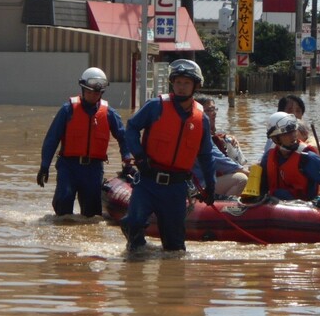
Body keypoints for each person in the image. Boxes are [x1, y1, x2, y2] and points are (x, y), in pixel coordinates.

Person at [120, 59, 216, 251]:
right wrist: (138, 156)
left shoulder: (201, 119)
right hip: (148, 181)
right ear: (172, 83)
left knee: (175, 247)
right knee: (134, 222)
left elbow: (206, 155)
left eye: (186, 83)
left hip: (176, 187)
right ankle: (136, 253)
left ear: (195, 86)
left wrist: (210, 186)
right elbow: (131, 128)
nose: (181, 87)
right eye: (178, 82)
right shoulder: (155, 106)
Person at [36, 67, 129, 217]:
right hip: (69, 166)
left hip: (93, 169)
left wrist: (127, 158)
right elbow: (52, 139)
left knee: (91, 214)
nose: (93, 96)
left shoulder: (109, 113)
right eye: (89, 92)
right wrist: (44, 166)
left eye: (97, 93)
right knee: (63, 205)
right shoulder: (68, 110)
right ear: (83, 90)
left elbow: (123, 138)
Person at [259, 111, 320, 211]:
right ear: (275, 139)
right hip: (275, 207)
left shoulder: (307, 158)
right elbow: (261, 188)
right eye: (287, 133)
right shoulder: (268, 157)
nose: (293, 136)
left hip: (303, 209)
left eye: (294, 131)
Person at [192, 96, 249, 197]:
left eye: (214, 109)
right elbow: (220, 161)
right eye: (209, 110)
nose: (214, 113)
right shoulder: (200, 136)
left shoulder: (218, 137)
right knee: (241, 179)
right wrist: (251, 175)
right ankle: (225, 208)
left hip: (202, 182)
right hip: (197, 185)